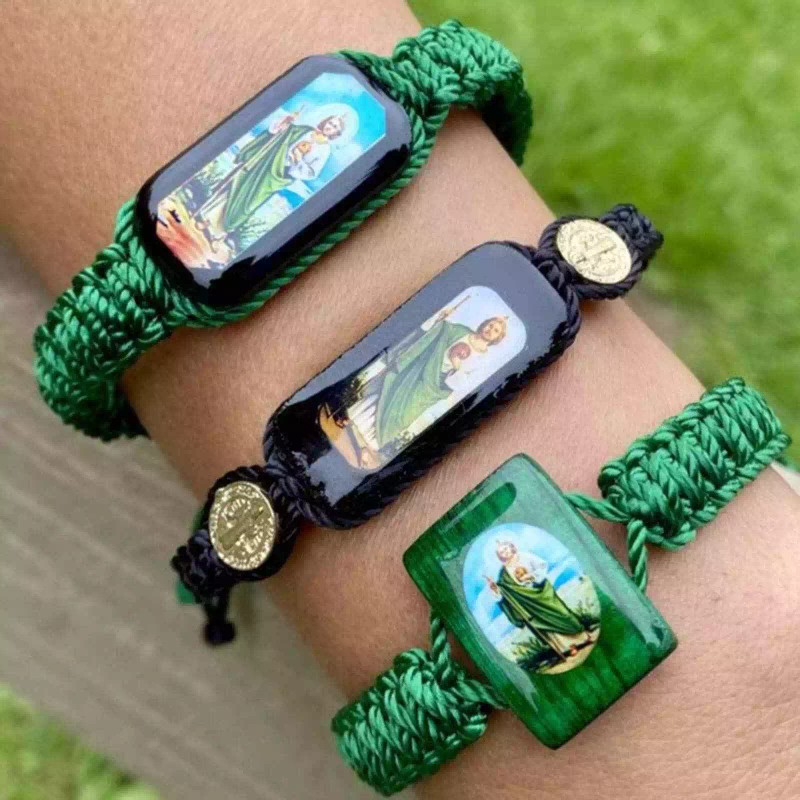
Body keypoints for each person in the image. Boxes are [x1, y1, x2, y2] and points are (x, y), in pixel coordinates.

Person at [487, 541, 593, 664]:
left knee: (561, 613)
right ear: (500, 556)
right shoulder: (503, 574)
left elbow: (542, 566)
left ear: (511, 547)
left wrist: (531, 576)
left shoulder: (525, 556)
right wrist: (495, 588)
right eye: (501, 552)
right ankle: (569, 647)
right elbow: (504, 591)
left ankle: (583, 637)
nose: (505, 552)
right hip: (529, 603)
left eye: (506, 549)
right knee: (545, 626)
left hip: (542, 592)